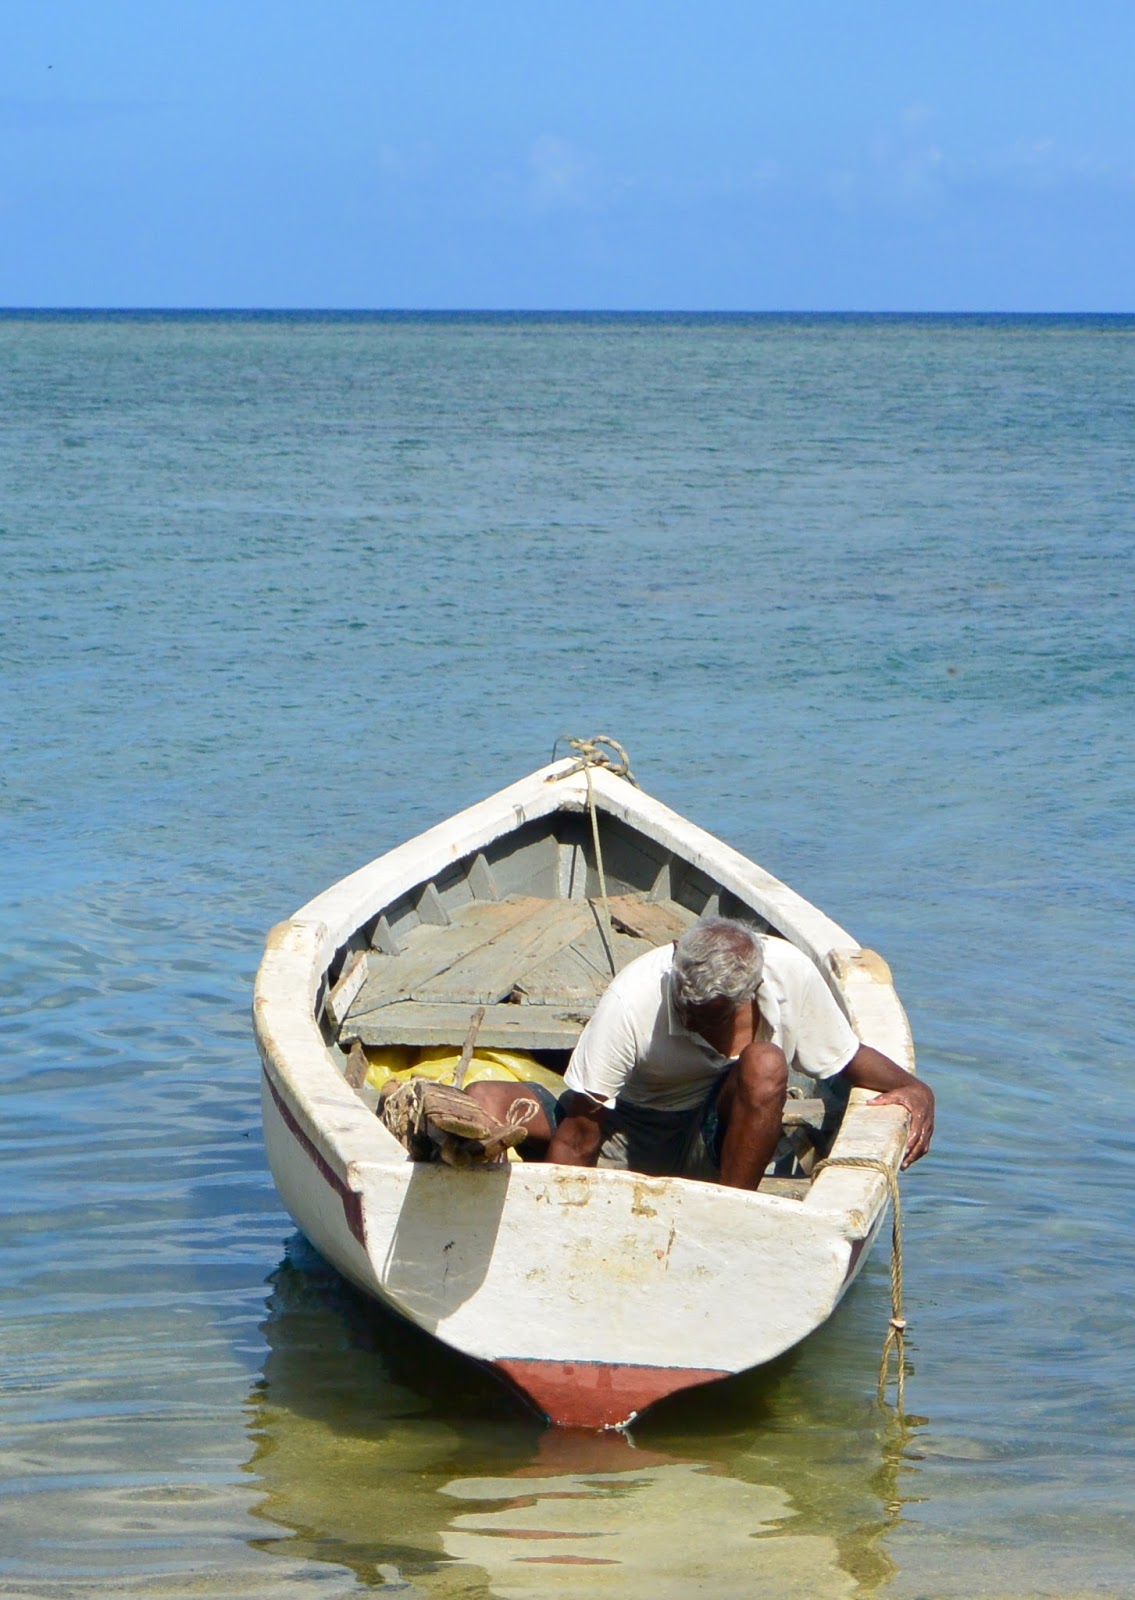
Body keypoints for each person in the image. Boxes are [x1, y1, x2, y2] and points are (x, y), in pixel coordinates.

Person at [467, 916, 934, 1188]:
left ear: (749, 992)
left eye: (709, 1016)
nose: (690, 1021)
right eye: (684, 1006)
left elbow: (845, 1058)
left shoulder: (788, 973)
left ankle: (731, 1210)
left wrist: (914, 1088)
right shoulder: (634, 998)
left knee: (766, 1063)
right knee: (482, 1101)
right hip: (625, 1130)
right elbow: (579, 1135)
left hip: (715, 1140)